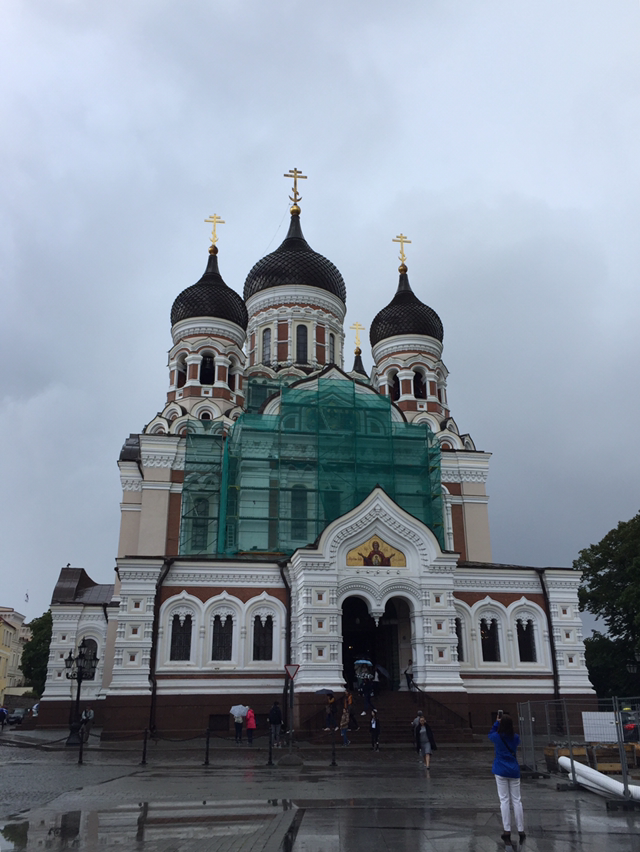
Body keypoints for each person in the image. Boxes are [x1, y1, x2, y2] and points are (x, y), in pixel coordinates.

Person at [489, 712, 525, 844]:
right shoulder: (515, 738)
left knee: (504, 800)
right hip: (513, 770)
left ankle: (507, 830)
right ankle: (521, 830)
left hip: (500, 769)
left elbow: (490, 734)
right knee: (517, 800)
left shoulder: (497, 737)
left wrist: (496, 722)